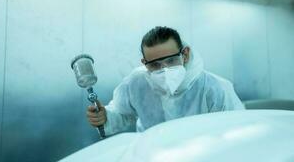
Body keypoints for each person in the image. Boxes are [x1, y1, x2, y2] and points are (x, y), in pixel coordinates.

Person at [87, 26, 244, 136]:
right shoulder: (137, 83)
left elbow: (237, 131)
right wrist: (105, 117)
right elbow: (121, 113)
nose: (164, 70)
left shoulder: (214, 87)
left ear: (185, 54)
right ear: (144, 63)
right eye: (155, 65)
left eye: (170, 61)